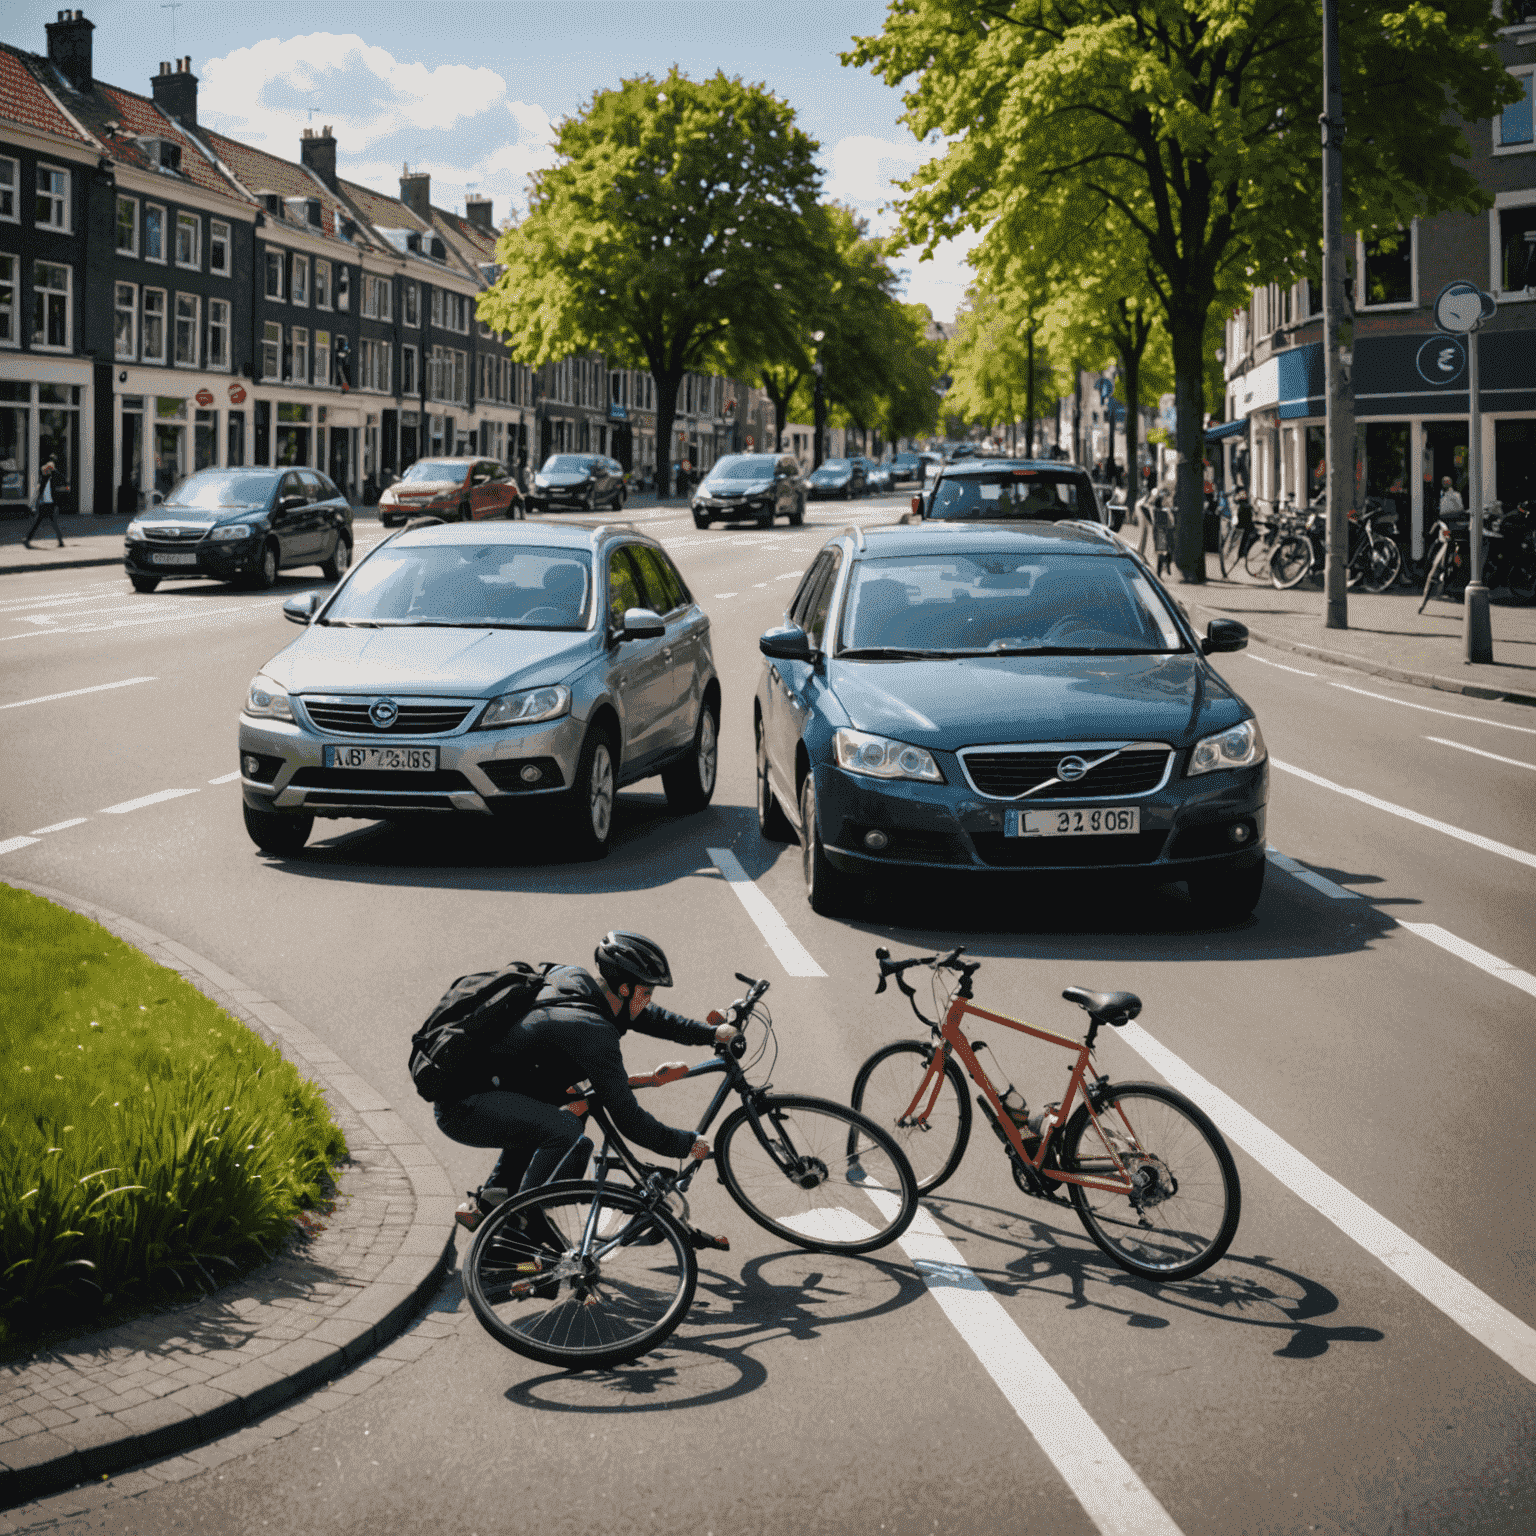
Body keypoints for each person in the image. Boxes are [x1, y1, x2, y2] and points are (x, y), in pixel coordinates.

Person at [436, 931, 740, 1231]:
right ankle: (517, 1235)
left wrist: (709, 1033)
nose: (648, 1001)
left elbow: (647, 1016)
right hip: (464, 1107)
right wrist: (685, 1143)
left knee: (571, 1108)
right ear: (623, 989)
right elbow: (628, 1118)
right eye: (646, 993)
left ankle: (490, 1203)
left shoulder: (577, 981)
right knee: (565, 1131)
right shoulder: (591, 1031)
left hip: (493, 1086)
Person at [24, 460, 66, 548]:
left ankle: (27, 539)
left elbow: (62, 479)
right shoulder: (44, 478)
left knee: (40, 521)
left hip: (50, 504)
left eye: (47, 470)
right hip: (44, 503)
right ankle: (60, 541)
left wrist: (53, 469)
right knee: (48, 522)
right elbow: (40, 491)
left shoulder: (54, 478)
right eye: (45, 470)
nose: (45, 471)